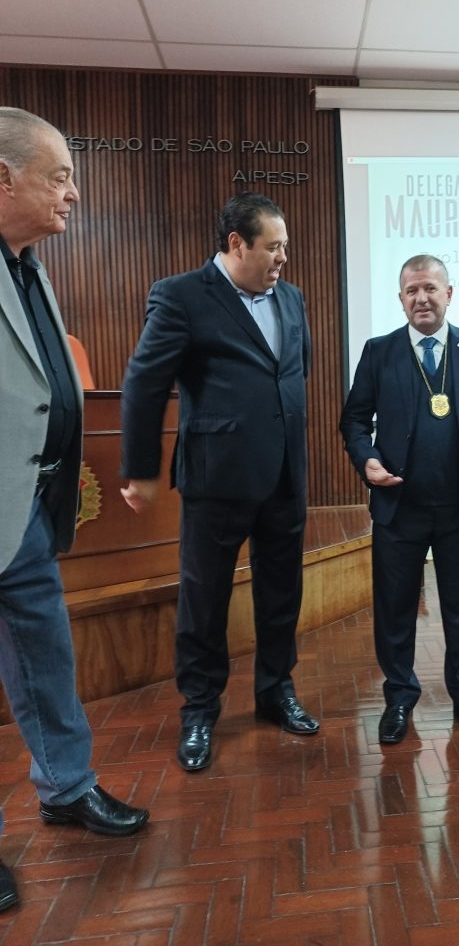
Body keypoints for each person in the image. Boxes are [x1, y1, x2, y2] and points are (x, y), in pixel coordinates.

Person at [0, 107, 149, 911]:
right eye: (59, 176)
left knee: (46, 657)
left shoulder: (28, 266)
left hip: (26, 505)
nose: (74, 193)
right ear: (3, 178)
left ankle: (66, 785)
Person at [120, 192, 318, 773]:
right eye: (273, 247)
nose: (283, 257)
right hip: (217, 478)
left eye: (284, 246)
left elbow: (293, 375)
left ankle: (275, 691)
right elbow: (144, 384)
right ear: (237, 243)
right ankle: (200, 709)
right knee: (204, 601)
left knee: (281, 593)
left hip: (284, 474)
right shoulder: (181, 295)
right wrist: (141, 469)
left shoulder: (292, 297)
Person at [340, 254, 459, 745]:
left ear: (448, 294)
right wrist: (366, 459)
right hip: (399, 505)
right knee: (395, 607)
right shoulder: (380, 351)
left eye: (430, 289)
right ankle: (399, 695)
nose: (421, 298)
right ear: (401, 299)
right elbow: (354, 419)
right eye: (412, 291)